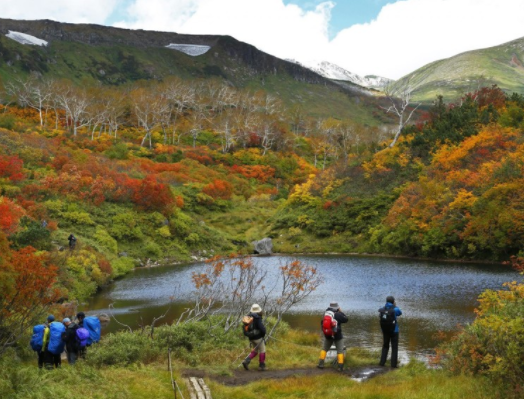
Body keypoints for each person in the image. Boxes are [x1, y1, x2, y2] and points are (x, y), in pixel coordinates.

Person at [317, 302, 348, 371]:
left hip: (328, 334)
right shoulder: (338, 314)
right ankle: (340, 367)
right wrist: (341, 312)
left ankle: (320, 364)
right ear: (337, 307)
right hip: (337, 335)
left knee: (324, 349)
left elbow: (322, 323)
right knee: (340, 351)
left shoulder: (326, 313)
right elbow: (346, 319)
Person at [241, 304, 267, 371]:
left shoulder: (248, 317)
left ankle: (246, 361)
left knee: (255, 351)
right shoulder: (257, 318)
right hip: (258, 338)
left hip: (251, 338)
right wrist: (263, 334)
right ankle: (262, 366)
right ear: (258, 310)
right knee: (262, 350)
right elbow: (262, 328)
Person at [379, 296, 402, 368]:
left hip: (385, 330)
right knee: (394, 347)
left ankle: (382, 363)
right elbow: (400, 313)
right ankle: (393, 365)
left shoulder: (382, 309)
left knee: (385, 346)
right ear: (393, 302)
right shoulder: (395, 309)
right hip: (394, 330)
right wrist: (395, 305)